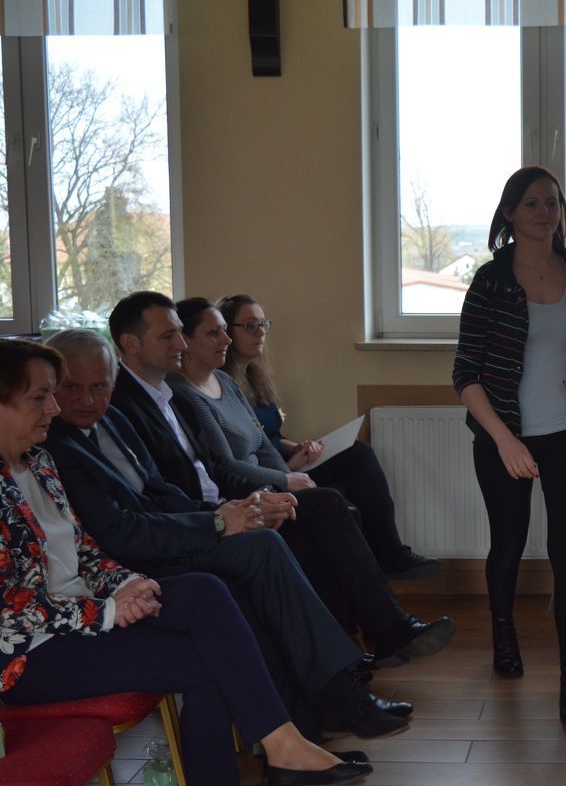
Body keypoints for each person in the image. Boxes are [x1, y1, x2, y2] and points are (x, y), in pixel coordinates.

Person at [0, 337, 371, 786]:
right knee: (209, 661)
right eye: (40, 397)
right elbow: (8, 607)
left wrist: (125, 584)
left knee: (204, 592)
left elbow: (85, 552)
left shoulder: (39, 463)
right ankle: (285, 747)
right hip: (30, 654)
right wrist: (107, 610)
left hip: (85, 615)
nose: (55, 408)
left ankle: (285, 746)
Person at [105, 291, 455, 664]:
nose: (225, 340)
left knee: (345, 477)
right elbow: (220, 468)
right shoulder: (175, 396)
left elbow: (260, 440)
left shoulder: (210, 385)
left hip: (247, 491)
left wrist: (287, 476)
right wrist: (280, 486)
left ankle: (362, 638)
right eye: (211, 333)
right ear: (133, 344)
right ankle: (377, 635)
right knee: (325, 508)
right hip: (223, 504)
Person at [452, 166, 566, 734]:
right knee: (509, 544)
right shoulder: (490, 282)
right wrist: (505, 441)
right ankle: (503, 631)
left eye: (553, 203)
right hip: (504, 437)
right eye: (533, 203)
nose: (546, 213)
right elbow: (465, 374)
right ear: (510, 213)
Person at [173, 294, 438, 580]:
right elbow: (229, 462)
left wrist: (292, 454)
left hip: (279, 466)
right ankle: (379, 570)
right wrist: (287, 476)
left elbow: (264, 438)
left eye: (262, 324)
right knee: (334, 498)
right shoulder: (198, 389)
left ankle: (390, 553)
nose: (259, 332)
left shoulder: (241, 378)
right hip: (260, 480)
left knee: (358, 454)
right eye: (249, 326)